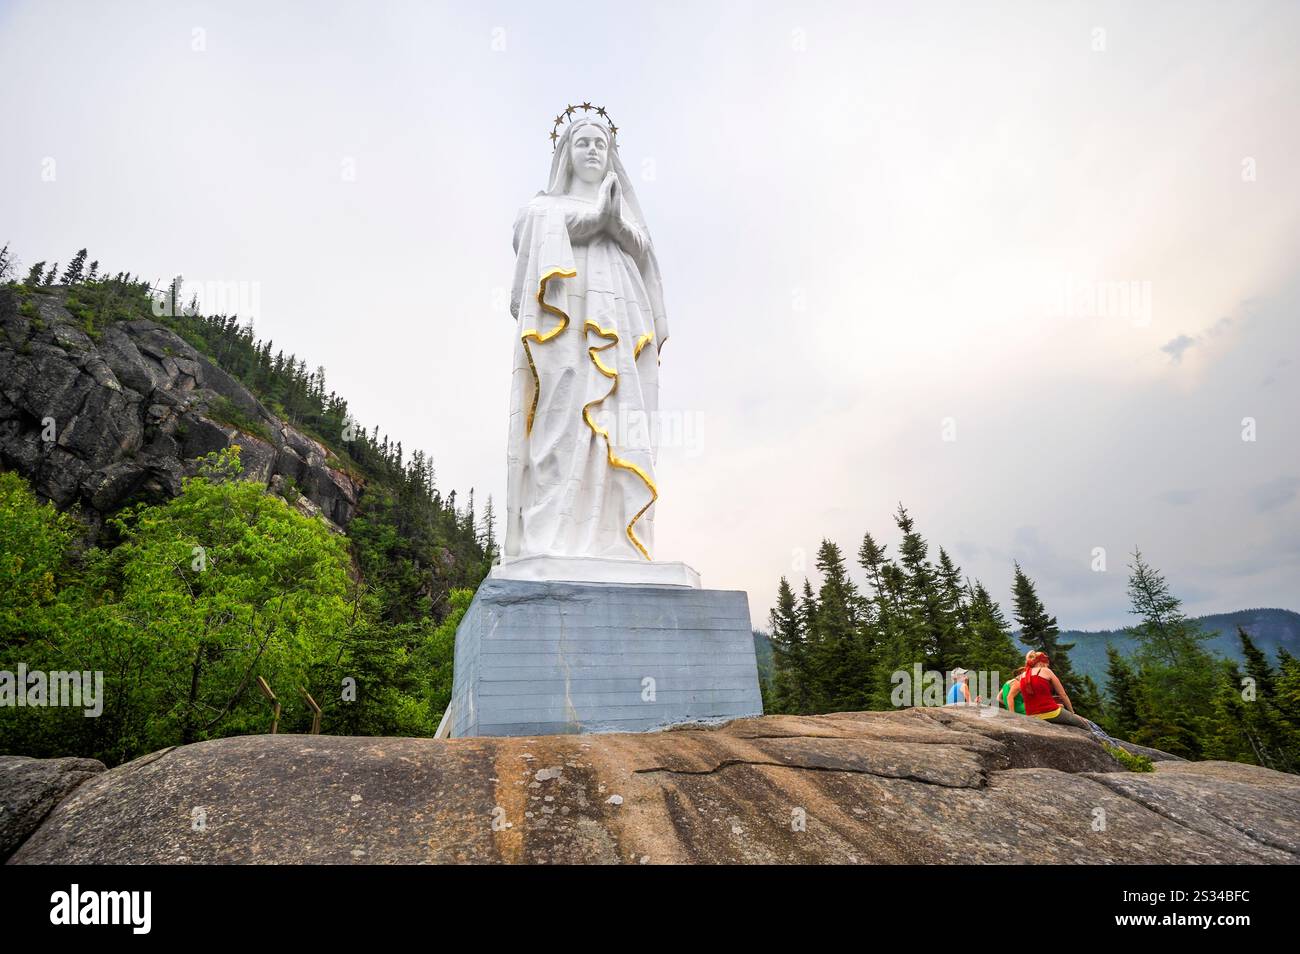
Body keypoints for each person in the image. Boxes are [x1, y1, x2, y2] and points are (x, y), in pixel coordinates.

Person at [1005, 651, 1089, 728]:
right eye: (1046, 663)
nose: (1047, 665)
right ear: (1042, 662)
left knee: (1061, 707)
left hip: (1031, 715)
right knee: (1083, 724)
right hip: (1050, 712)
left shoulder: (1022, 676)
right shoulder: (1046, 671)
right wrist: (1072, 712)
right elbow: (1062, 694)